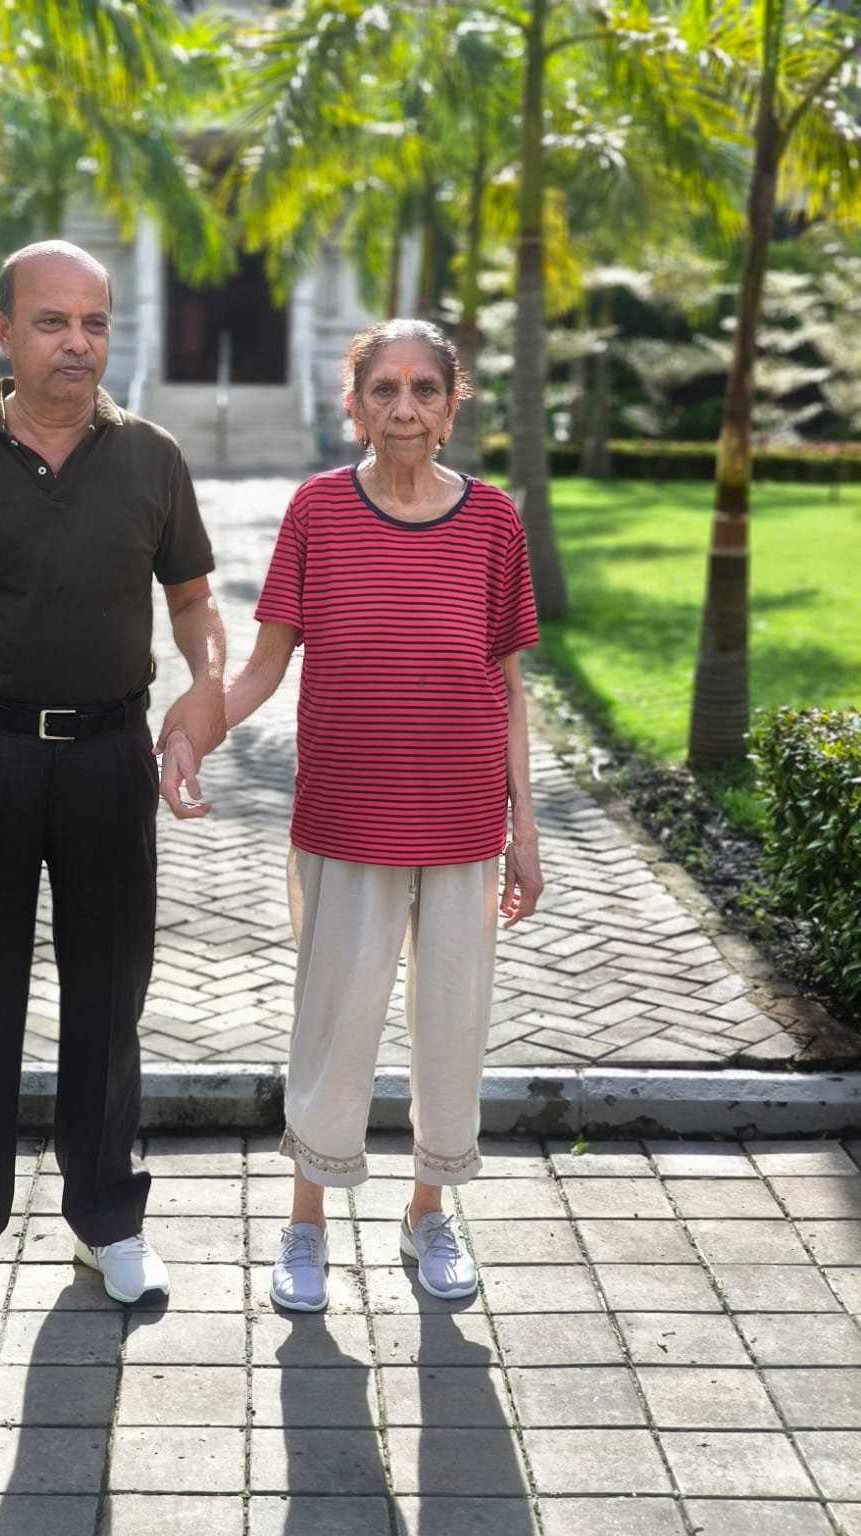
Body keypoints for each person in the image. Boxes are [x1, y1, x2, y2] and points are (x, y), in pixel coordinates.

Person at [0, 240, 224, 1321]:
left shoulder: (153, 457)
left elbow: (195, 599)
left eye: (96, 322)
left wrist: (202, 693)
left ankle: (105, 1219)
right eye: (52, 321)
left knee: (109, 995)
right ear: (3, 330)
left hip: (111, 757)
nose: (79, 342)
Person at [224, 319, 543, 1311]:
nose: (403, 408)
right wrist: (192, 725)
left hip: (459, 826)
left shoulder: (493, 521)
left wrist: (522, 825)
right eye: (385, 389)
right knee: (334, 1028)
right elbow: (268, 662)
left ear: (452, 407)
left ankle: (429, 1213)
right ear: (353, 402)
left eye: (423, 390)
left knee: (452, 1026)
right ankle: (305, 1225)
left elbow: (508, 683)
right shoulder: (317, 510)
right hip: (345, 819)